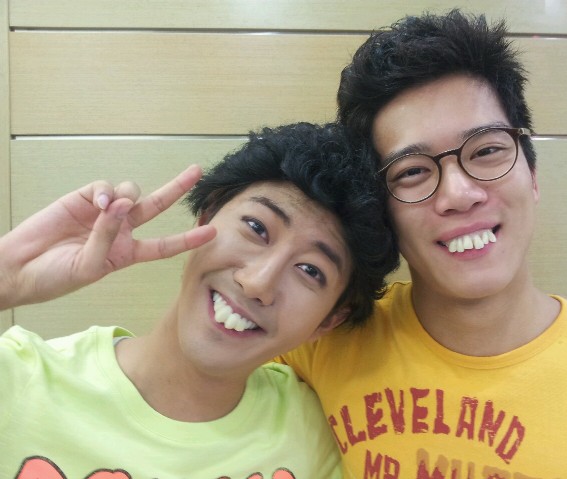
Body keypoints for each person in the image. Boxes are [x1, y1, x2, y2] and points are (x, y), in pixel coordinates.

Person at [278, 10, 567, 478]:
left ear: (532, 174)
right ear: (380, 209)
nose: (459, 194)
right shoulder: (324, 339)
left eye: (487, 151)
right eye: (412, 171)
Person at [0, 122, 399, 478]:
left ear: (329, 320)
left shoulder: (316, 438)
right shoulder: (19, 376)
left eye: (311, 270)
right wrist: (6, 280)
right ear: (206, 217)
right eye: (257, 228)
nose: (257, 283)